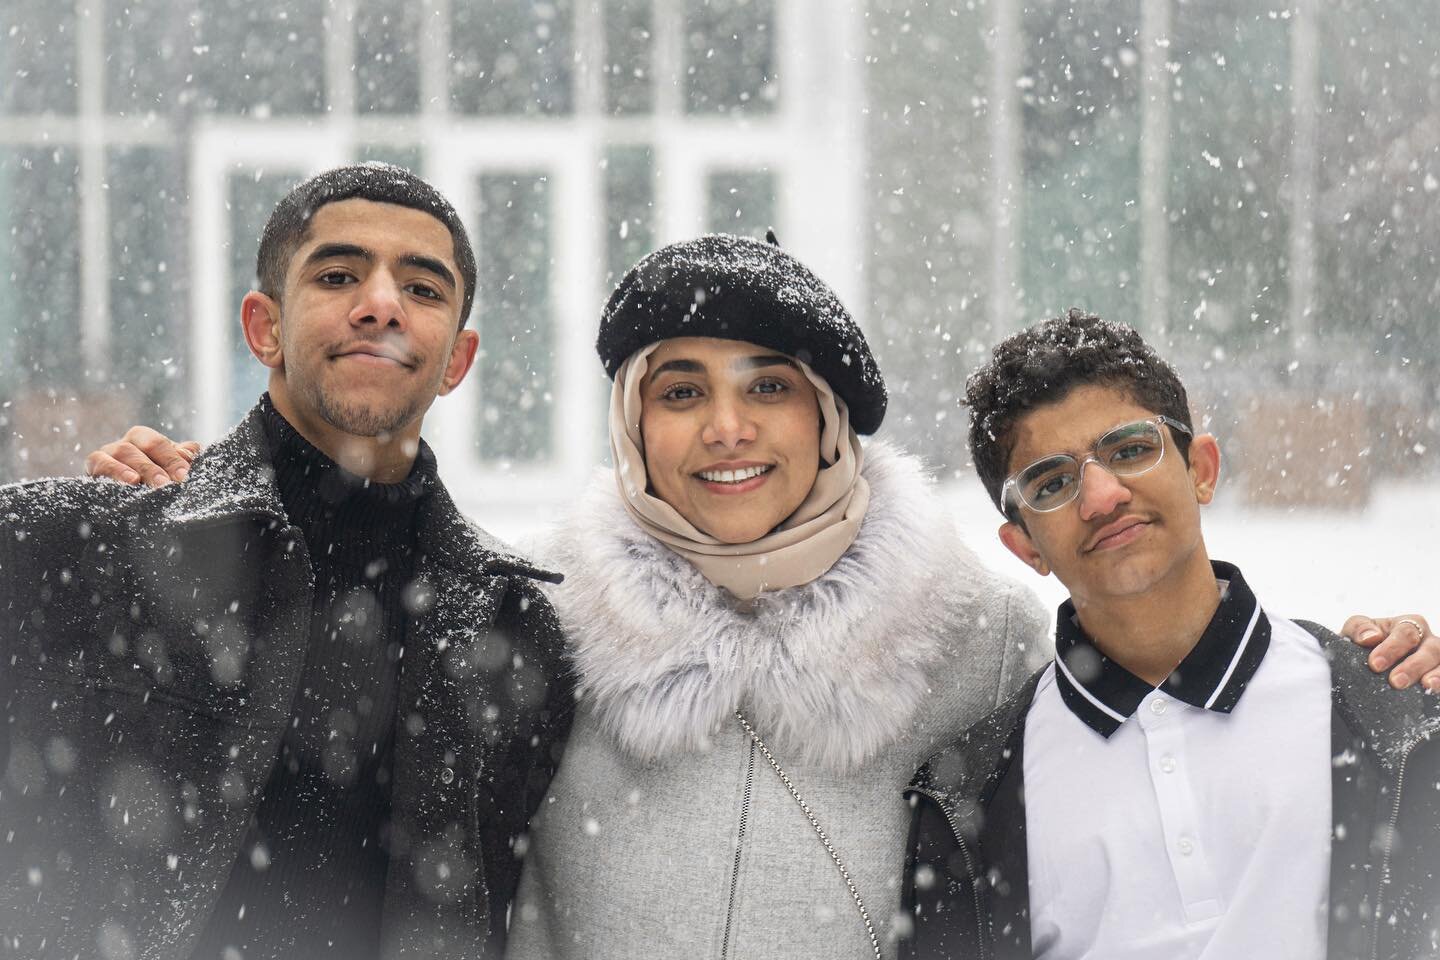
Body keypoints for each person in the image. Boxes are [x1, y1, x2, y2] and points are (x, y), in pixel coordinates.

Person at [84, 242, 1439, 958]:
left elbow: (1163, 681)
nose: (727, 429)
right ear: (635, 427)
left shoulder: (975, 637)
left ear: (831, 421)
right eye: (681, 391)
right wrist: (217, 500)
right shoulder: (528, 622)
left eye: (768, 385)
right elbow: (338, 636)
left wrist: (1377, 672)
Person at [0, 163, 573, 960]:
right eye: (339, 275)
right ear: (264, 327)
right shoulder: (72, 546)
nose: (381, 305)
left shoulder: (516, 628)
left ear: (457, 360)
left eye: (424, 289)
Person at [900, 308, 1440, 959]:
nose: (1101, 496)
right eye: (1052, 481)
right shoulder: (969, 800)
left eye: (1129, 449)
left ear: (1201, 469)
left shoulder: (1390, 707)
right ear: (1024, 546)